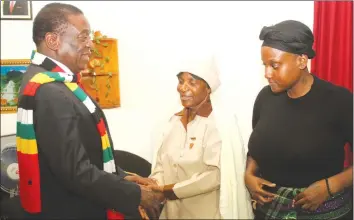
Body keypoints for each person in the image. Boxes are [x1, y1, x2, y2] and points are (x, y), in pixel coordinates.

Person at [16, 3, 163, 219]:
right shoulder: (50, 92)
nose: (91, 45)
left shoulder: (56, 83)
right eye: (83, 37)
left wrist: (121, 177)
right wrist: (135, 195)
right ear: (52, 41)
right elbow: (74, 172)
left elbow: (82, 156)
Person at [245, 20, 353, 219]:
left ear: (302, 61)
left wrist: (331, 187)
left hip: (326, 212)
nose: (267, 73)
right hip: (268, 212)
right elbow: (256, 149)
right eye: (265, 65)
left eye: (274, 65)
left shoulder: (340, 101)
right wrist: (249, 175)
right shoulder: (265, 98)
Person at [148, 51, 254, 219]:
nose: (183, 88)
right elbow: (161, 165)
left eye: (192, 82)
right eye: (181, 81)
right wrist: (153, 186)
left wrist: (170, 190)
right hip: (171, 214)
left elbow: (216, 175)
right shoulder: (173, 122)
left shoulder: (220, 124)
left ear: (208, 88)